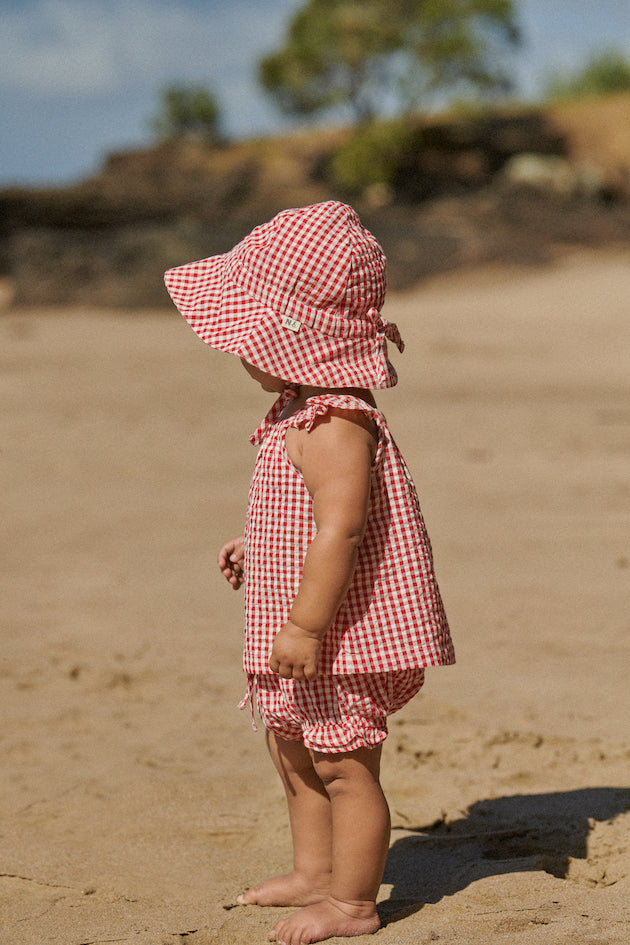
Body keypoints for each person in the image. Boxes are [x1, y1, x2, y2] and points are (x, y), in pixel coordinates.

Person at [164, 201, 454, 945]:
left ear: (295, 339)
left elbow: (344, 526)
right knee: (291, 747)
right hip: (304, 623)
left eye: (246, 337)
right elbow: (300, 517)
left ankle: (353, 902)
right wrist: (257, 544)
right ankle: (312, 869)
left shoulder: (335, 422)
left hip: (340, 630)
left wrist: (304, 622)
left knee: (343, 762)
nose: (237, 352)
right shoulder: (298, 409)